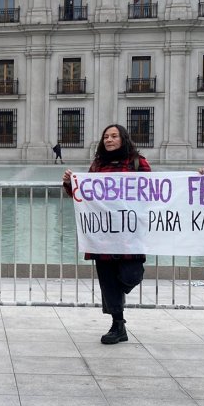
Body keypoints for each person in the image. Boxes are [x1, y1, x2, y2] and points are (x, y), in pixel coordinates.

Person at [63, 124, 151, 345]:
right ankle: (117, 325)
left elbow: (154, 191)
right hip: (103, 235)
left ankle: (116, 296)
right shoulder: (98, 165)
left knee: (132, 275)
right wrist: (70, 184)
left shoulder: (138, 162)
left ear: (123, 139)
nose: (109, 140)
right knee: (108, 279)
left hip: (130, 233)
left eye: (114, 136)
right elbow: (85, 195)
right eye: (106, 137)